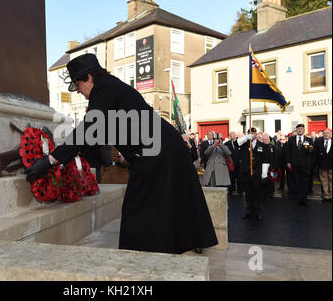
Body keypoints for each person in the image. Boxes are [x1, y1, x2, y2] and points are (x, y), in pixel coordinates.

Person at [25, 54, 218, 254]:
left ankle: (135, 255)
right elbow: (97, 136)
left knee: (138, 205)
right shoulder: (110, 87)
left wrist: (50, 160)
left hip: (157, 151)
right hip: (163, 146)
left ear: (89, 78)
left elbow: (86, 130)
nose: (79, 93)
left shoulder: (103, 90)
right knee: (173, 196)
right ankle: (189, 238)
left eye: (78, 85)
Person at [234, 128, 271, 221]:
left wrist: (264, 173)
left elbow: (266, 160)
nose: (253, 135)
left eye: (254, 133)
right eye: (250, 133)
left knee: (257, 194)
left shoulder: (263, 146)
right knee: (248, 194)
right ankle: (249, 211)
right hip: (246, 173)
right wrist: (246, 138)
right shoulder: (244, 144)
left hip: (257, 173)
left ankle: (258, 212)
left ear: (257, 134)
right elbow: (235, 143)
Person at [285, 124, 314, 207]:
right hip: (295, 164)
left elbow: (311, 153)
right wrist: (288, 162)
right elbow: (287, 151)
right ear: (296, 130)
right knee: (297, 182)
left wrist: (311, 149)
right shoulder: (291, 139)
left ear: (304, 130)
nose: (300, 130)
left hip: (305, 165)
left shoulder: (308, 139)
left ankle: (304, 200)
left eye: (302, 128)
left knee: (305, 183)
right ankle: (299, 199)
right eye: (299, 128)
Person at [315, 129, 332, 202]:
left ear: (331, 134)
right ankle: (326, 196)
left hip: (331, 166)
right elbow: (315, 154)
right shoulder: (318, 142)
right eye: (324, 133)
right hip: (322, 166)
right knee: (324, 182)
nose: (326, 134)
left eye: (328, 133)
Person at [262, 134, 275, 199]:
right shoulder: (260, 147)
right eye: (264, 139)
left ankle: (271, 192)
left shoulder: (273, 147)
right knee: (264, 179)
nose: (266, 140)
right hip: (263, 166)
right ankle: (264, 192)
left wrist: (275, 166)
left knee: (271, 179)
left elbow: (276, 157)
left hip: (271, 165)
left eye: (267, 139)